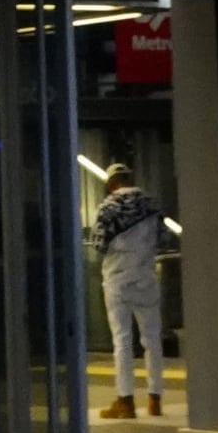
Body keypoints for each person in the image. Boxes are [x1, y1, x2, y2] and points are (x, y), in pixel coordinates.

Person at [91, 165, 165, 420]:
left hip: (118, 281)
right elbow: (163, 239)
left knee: (122, 342)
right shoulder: (152, 204)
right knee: (152, 340)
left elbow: (99, 244)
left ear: (111, 183)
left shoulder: (108, 208)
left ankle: (126, 402)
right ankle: (155, 400)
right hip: (146, 278)